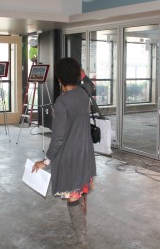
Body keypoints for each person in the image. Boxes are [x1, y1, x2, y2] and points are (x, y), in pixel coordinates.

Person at [32, 58, 96, 246]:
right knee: (82, 189)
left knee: (73, 198)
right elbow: (90, 84)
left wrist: (45, 161)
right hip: (86, 154)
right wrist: (81, 74)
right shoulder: (84, 93)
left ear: (59, 79)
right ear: (76, 75)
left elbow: (58, 138)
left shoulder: (61, 102)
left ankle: (81, 233)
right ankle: (81, 226)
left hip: (70, 158)